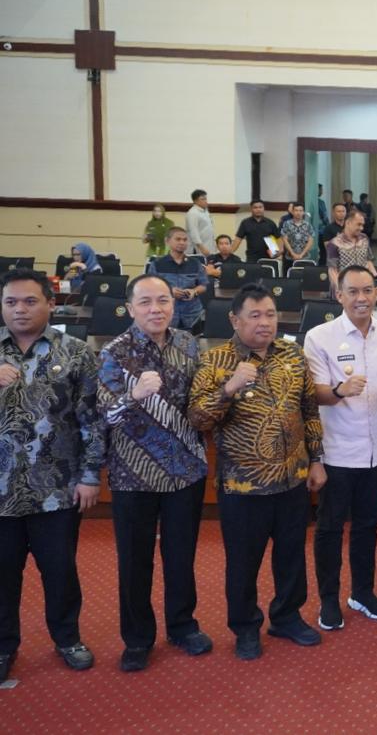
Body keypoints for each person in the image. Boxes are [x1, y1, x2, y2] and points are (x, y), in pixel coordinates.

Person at [188, 283, 326, 661]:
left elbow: (310, 410)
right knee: (243, 564)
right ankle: (245, 627)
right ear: (235, 320)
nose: (265, 322)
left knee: (291, 556)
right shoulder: (216, 360)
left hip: (292, 479)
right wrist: (229, 388)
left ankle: (287, 617)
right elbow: (197, 418)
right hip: (243, 486)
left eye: (270, 314)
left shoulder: (292, 355)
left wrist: (316, 459)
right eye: (255, 315)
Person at [97, 274, 211, 671]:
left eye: (162, 300)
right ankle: (137, 638)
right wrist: (134, 394)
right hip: (134, 475)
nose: (155, 309)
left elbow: (200, 401)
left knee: (181, 556)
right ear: (130, 308)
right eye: (145, 302)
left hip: (185, 471)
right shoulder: (114, 352)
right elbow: (102, 415)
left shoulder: (189, 344)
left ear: (173, 304)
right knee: (135, 561)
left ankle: (183, 626)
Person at [0, 269, 104, 680]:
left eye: (30, 301)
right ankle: (3, 646)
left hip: (57, 489)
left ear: (50, 303)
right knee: (2, 576)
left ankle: (67, 638)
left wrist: (90, 475)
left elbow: (92, 420)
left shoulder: (76, 352)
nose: (20, 310)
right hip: (1, 491)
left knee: (60, 572)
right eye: (11, 302)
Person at [304, 266, 377, 631]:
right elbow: (312, 394)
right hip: (337, 451)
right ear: (340, 295)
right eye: (353, 292)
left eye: (367, 291)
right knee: (330, 529)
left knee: (367, 527)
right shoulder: (319, 337)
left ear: (376, 293)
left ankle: (362, 592)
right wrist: (339, 391)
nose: (361, 298)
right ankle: (329, 599)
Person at [147, 227, 209, 331]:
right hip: (166, 315)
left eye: (185, 240)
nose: (182, 242)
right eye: (178, 239)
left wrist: (194, 291)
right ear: (167, 241)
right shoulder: (157, 264)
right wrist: (168, 292)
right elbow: (150, 287)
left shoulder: (195, 263)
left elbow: (203, 285)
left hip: (192, 315)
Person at [325, 210, 377, 298]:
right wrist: (341, 288)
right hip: (344, 290)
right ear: (348, 223)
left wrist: (376, 278)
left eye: (362, 225)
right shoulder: (334, 243)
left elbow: (368, 260)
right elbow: (332, 270)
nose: (361, 228)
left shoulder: (364, 239)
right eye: (358, 224)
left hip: (362, 286)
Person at [280, 202, 314, 270]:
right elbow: (284, 240)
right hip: (289, 258)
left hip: (304, 257)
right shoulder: (287, 224)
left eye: (300, 211)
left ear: (303, 212)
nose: (298, 213)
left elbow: (310, 241)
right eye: (296, 210)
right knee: (289, 275)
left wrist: (301, 254)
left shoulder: (308, 225)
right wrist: (293, 253)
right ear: (292, 212)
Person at [186, 189, 215, 257]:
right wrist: (202, 248)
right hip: (198, 249)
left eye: (206, 199)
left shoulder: (205, 211)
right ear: (195, 201)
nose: (205, 201)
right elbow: (194, 233)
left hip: (208, 246)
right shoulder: (192, 213)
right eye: (202, 199)